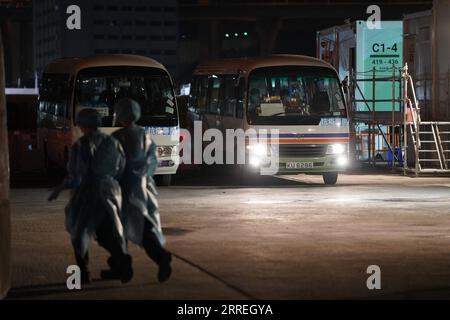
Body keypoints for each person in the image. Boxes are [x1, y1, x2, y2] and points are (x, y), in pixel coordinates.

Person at [48, 108, 133, 284]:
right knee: (106, 232)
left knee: (79, 233)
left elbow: (76, 175)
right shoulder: (112, 142)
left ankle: (83, 273)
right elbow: (121, 166)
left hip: (87, 195)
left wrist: (60, 188)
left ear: (82, 125)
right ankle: (122, 261)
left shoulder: (81, 145)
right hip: (110, 191)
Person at [111, 98, 172, 283]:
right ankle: (123, 266)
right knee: (143, 227)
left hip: (124, 190)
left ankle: (131, 265)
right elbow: (152, 163)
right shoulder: (145, 136)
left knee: (121, 230)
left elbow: (112, 165)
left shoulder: (117, 137)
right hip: (144, 188)